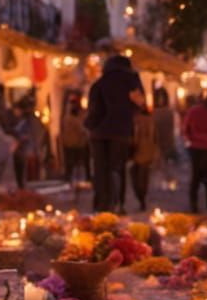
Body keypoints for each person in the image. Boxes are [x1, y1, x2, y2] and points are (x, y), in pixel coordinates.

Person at [85, 54, 145, 213]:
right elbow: (140, 104)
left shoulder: (100, 84)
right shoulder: (131, 82)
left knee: (100, 169)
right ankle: (118, 203)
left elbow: (93, 109)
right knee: (117, 168)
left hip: (98, 133)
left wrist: (90, 124)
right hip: (121, 132)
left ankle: (101, 205)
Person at [128, 101, 157, 212]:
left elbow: (134, 138)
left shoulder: (135, 120)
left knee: (137, 177)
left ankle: (141, 198)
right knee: (143, 177)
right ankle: (142, 199)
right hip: (148, 153)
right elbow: (155, 138)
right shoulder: (151, 120)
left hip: (138, 153)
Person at [61, 95, 89, 183]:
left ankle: (68, 178)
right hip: (77, 144)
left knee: (70, 163)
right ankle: (82, 178)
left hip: (69, 143)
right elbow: (83, 130)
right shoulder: (75, 119)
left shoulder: (66, 118)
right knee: (80, 162)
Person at [152, 87, 178, 181]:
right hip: (157, 142)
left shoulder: (168, 112)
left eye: (162, 97)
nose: (160, 100)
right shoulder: (154, 112)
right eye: (159, 97)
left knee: (165, 164)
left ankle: (167, 180)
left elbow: (171, 128)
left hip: (166, 141)